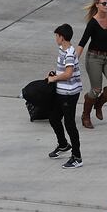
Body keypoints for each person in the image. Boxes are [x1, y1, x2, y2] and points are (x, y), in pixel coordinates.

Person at [76, 0, 107, 129]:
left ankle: (99, 104)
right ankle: (86, 115)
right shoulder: (93, 23)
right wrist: (73, 61)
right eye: (104, 3)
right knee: (96, 90)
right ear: (97, 5)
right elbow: (82, 42)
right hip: (94, 58)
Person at [46, 24, 83, 169]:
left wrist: (53, 79)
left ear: (62, 37)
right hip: (61, 92)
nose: (55, 38)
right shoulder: (62, 50)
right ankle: (63, 145)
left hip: (69, 93)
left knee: (70, 124)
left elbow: (68, 74)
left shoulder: (69, 53)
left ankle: (77, 157)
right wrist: (53, 74)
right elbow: (62, 71)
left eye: (56, 36)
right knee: (54, 118)